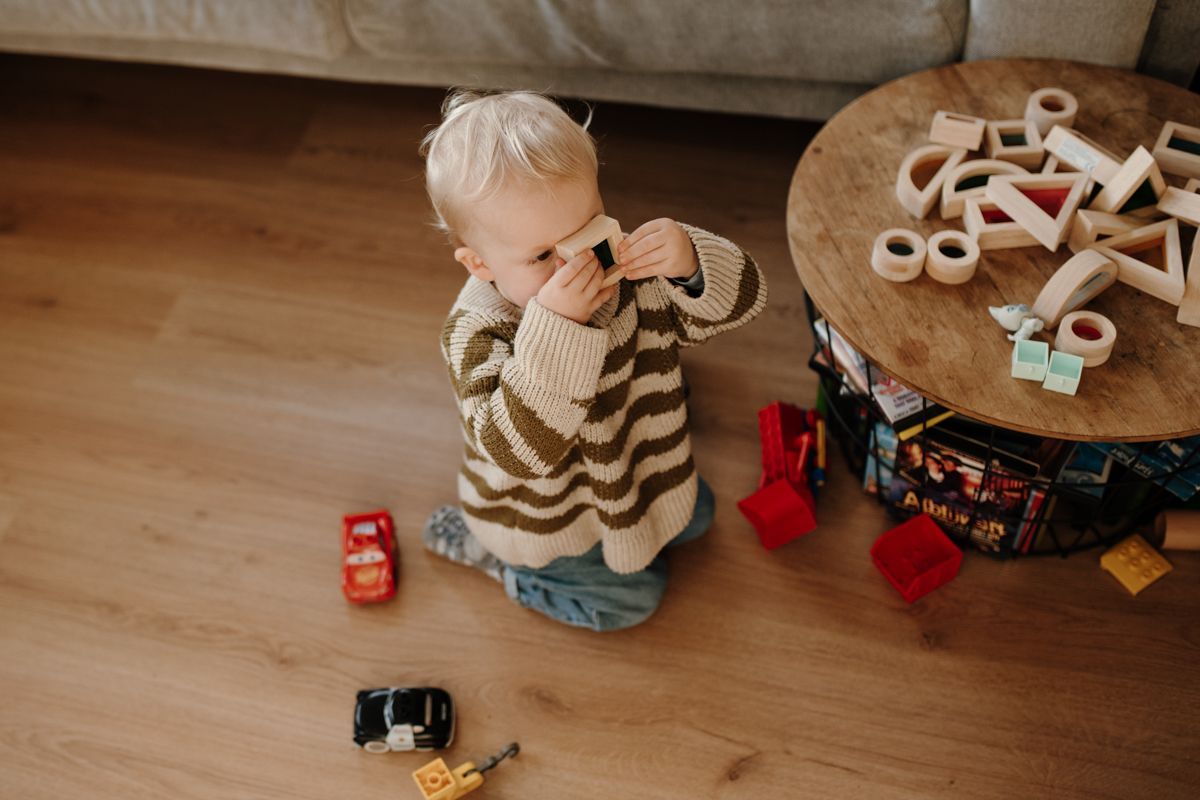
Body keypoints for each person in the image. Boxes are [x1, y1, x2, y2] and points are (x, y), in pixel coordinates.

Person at [417, 89, 767, 632]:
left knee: (697, 516)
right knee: (634, 601)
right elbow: (520, 454)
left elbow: (740, 305)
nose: (575, 265)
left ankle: (641, 521)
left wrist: (690, 263)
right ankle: (500, 564)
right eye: (540, 257)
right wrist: (558, 328)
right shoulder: (477, 330)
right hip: (551, 517)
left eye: (587, 228)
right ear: (479, 264)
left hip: (639, 463)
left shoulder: (629, 278)